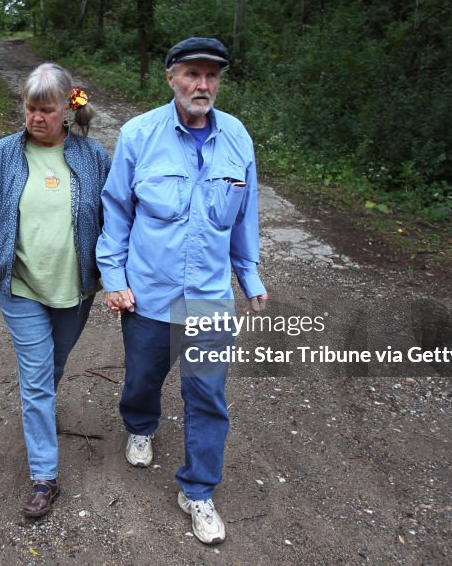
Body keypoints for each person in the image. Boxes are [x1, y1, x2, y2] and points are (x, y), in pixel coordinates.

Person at [96, 37, 269, 544]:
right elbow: (117, 212)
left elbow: (245, 219)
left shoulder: (237, 138)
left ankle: (197, 490)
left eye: (212, 76)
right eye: (193, 74)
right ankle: (141, 425)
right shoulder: (139, 135)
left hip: (210, 295)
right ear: (171, 77)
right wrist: (114, 278)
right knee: (144, 376)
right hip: (149, 291)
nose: (203, 84)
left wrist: (250, 277)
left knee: (208, 394)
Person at [0, 62, 111, 519]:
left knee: (53, 366)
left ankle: (41, 410)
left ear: (68, 108)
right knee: (36, 378)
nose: (36, 118)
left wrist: (121, 278)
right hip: (20, 287)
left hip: (76, 288)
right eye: (30, 109)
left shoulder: (93, 156)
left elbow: (115, 221)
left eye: (46, 110)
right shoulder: (1, 157)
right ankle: (44, 476)